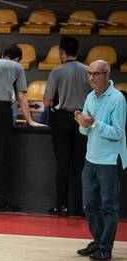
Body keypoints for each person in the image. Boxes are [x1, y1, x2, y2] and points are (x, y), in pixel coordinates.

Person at [0, 44, 45, 212]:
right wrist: (30, 120)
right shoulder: (17, 67)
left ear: (3, 53)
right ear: (17, 58)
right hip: (2, 110)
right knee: (1, 156)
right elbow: (21, 96)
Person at [75, 60, 126, 261]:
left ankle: (106, 247)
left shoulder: (117, 99)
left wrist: (95, 123)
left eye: (96, 74)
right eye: (89, 74)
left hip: (110, 160)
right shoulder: (90, 97)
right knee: (89, 204)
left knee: (108, 206)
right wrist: (84, 124)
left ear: (106, 75)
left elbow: (118, 133)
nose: (92, 78)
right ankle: (98, 241)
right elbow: (84, 131)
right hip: (91, 159)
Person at [44, 36, 91, 217]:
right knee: (80, 165)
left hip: (62, 119)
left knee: (62, 164)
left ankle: (61, 205)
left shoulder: (57, 72)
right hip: (82, 118)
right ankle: (81, 206)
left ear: (61, 52)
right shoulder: (88, 71)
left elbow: (47, 100)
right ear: (77, 52)